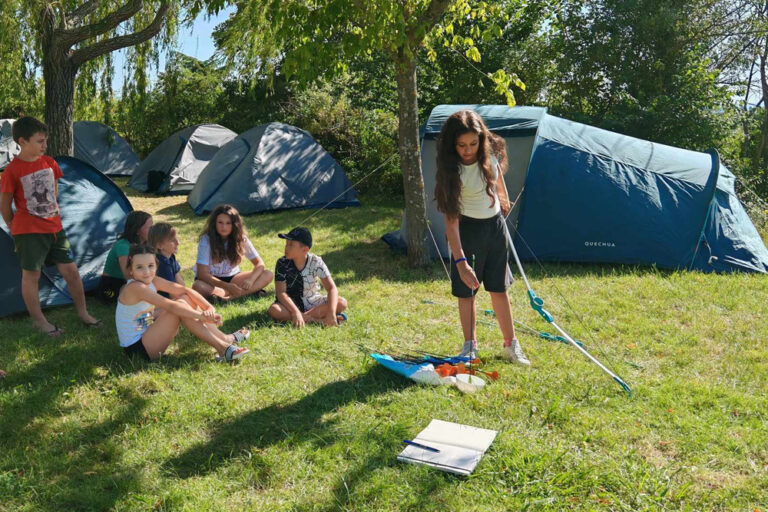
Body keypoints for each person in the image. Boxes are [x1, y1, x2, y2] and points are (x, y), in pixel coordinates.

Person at [434, 109, 530, 365]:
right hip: (467, 231)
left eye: (473, 144)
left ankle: (511, 345)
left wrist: (502, 197)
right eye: (461, 145)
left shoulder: (490, 157)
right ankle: (469, 346)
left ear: (481, 140)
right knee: (467, 291)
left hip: (495, 229)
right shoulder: (450, 171)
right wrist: (461, 262)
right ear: (452, 145)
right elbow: (451, 221)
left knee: (499, 287)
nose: (468, 150)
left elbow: (496, 178)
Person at [0, 116, 100, 336]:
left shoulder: (50, 164)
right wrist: (13, 228)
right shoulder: (11, 171)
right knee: (31, 276)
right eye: (40, 141)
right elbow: (5, 205)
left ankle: (83, 313)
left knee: (71, 272)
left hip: (55, 228)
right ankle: (39, 321)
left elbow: (53, 193)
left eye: (45, 140)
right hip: (28, 232)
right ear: (22, 141)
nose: (45, 145)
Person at [116, 244, 250, 362]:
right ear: (130, 270)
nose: (146, 272)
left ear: (156, 266)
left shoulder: (152, 281)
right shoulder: (135, 288)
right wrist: (201, 315)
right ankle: (223, 349)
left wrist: (208, 307)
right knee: (178, 308)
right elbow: (170, 306)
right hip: (138, 350)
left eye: (150, 266)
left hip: (147, 332)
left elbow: (185, 290)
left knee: (185, 298)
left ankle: (225, 339)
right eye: (139, 267)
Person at [267, 227, 347, 328]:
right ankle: (319, 321)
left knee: (342, 303)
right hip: (290, 305)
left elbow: (332, 288)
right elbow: (280, 293)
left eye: (291, 245)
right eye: (286, 244)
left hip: (313, 302)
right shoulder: (282, 263)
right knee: (274, 310)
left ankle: (304, 318)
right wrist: (295, 312)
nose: (286, 248)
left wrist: (331, 312)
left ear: (305, 249)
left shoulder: (316, 262)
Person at [192, 204, 273, 301]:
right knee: (197, 286)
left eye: (228, 223)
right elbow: (202, 274)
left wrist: (251, 280)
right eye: (220, 222)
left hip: (234, 278)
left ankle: (227, 298)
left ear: (235, 224)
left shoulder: (241, 239)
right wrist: (227, 286)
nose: (224, 227)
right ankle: (247, 292)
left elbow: (259, 264)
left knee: (268, 274)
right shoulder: (206, 239)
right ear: (214, 223)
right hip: (211, 281)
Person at [99, 210, 153, 302]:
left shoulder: (145, 244)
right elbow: (128, 275)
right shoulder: (123, 245)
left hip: (132, 281)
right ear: (137, 230)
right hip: (111, 286)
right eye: (150, 227)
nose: (153, 230)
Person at [147, 222, 183, 298]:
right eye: (173, 240)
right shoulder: (161, 263)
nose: (178, 243)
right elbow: (172, 293)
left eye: (177, 238)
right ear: (160, 245)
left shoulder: (171, 257)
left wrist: (186, 293)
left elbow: (179, 280)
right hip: (161, 302)